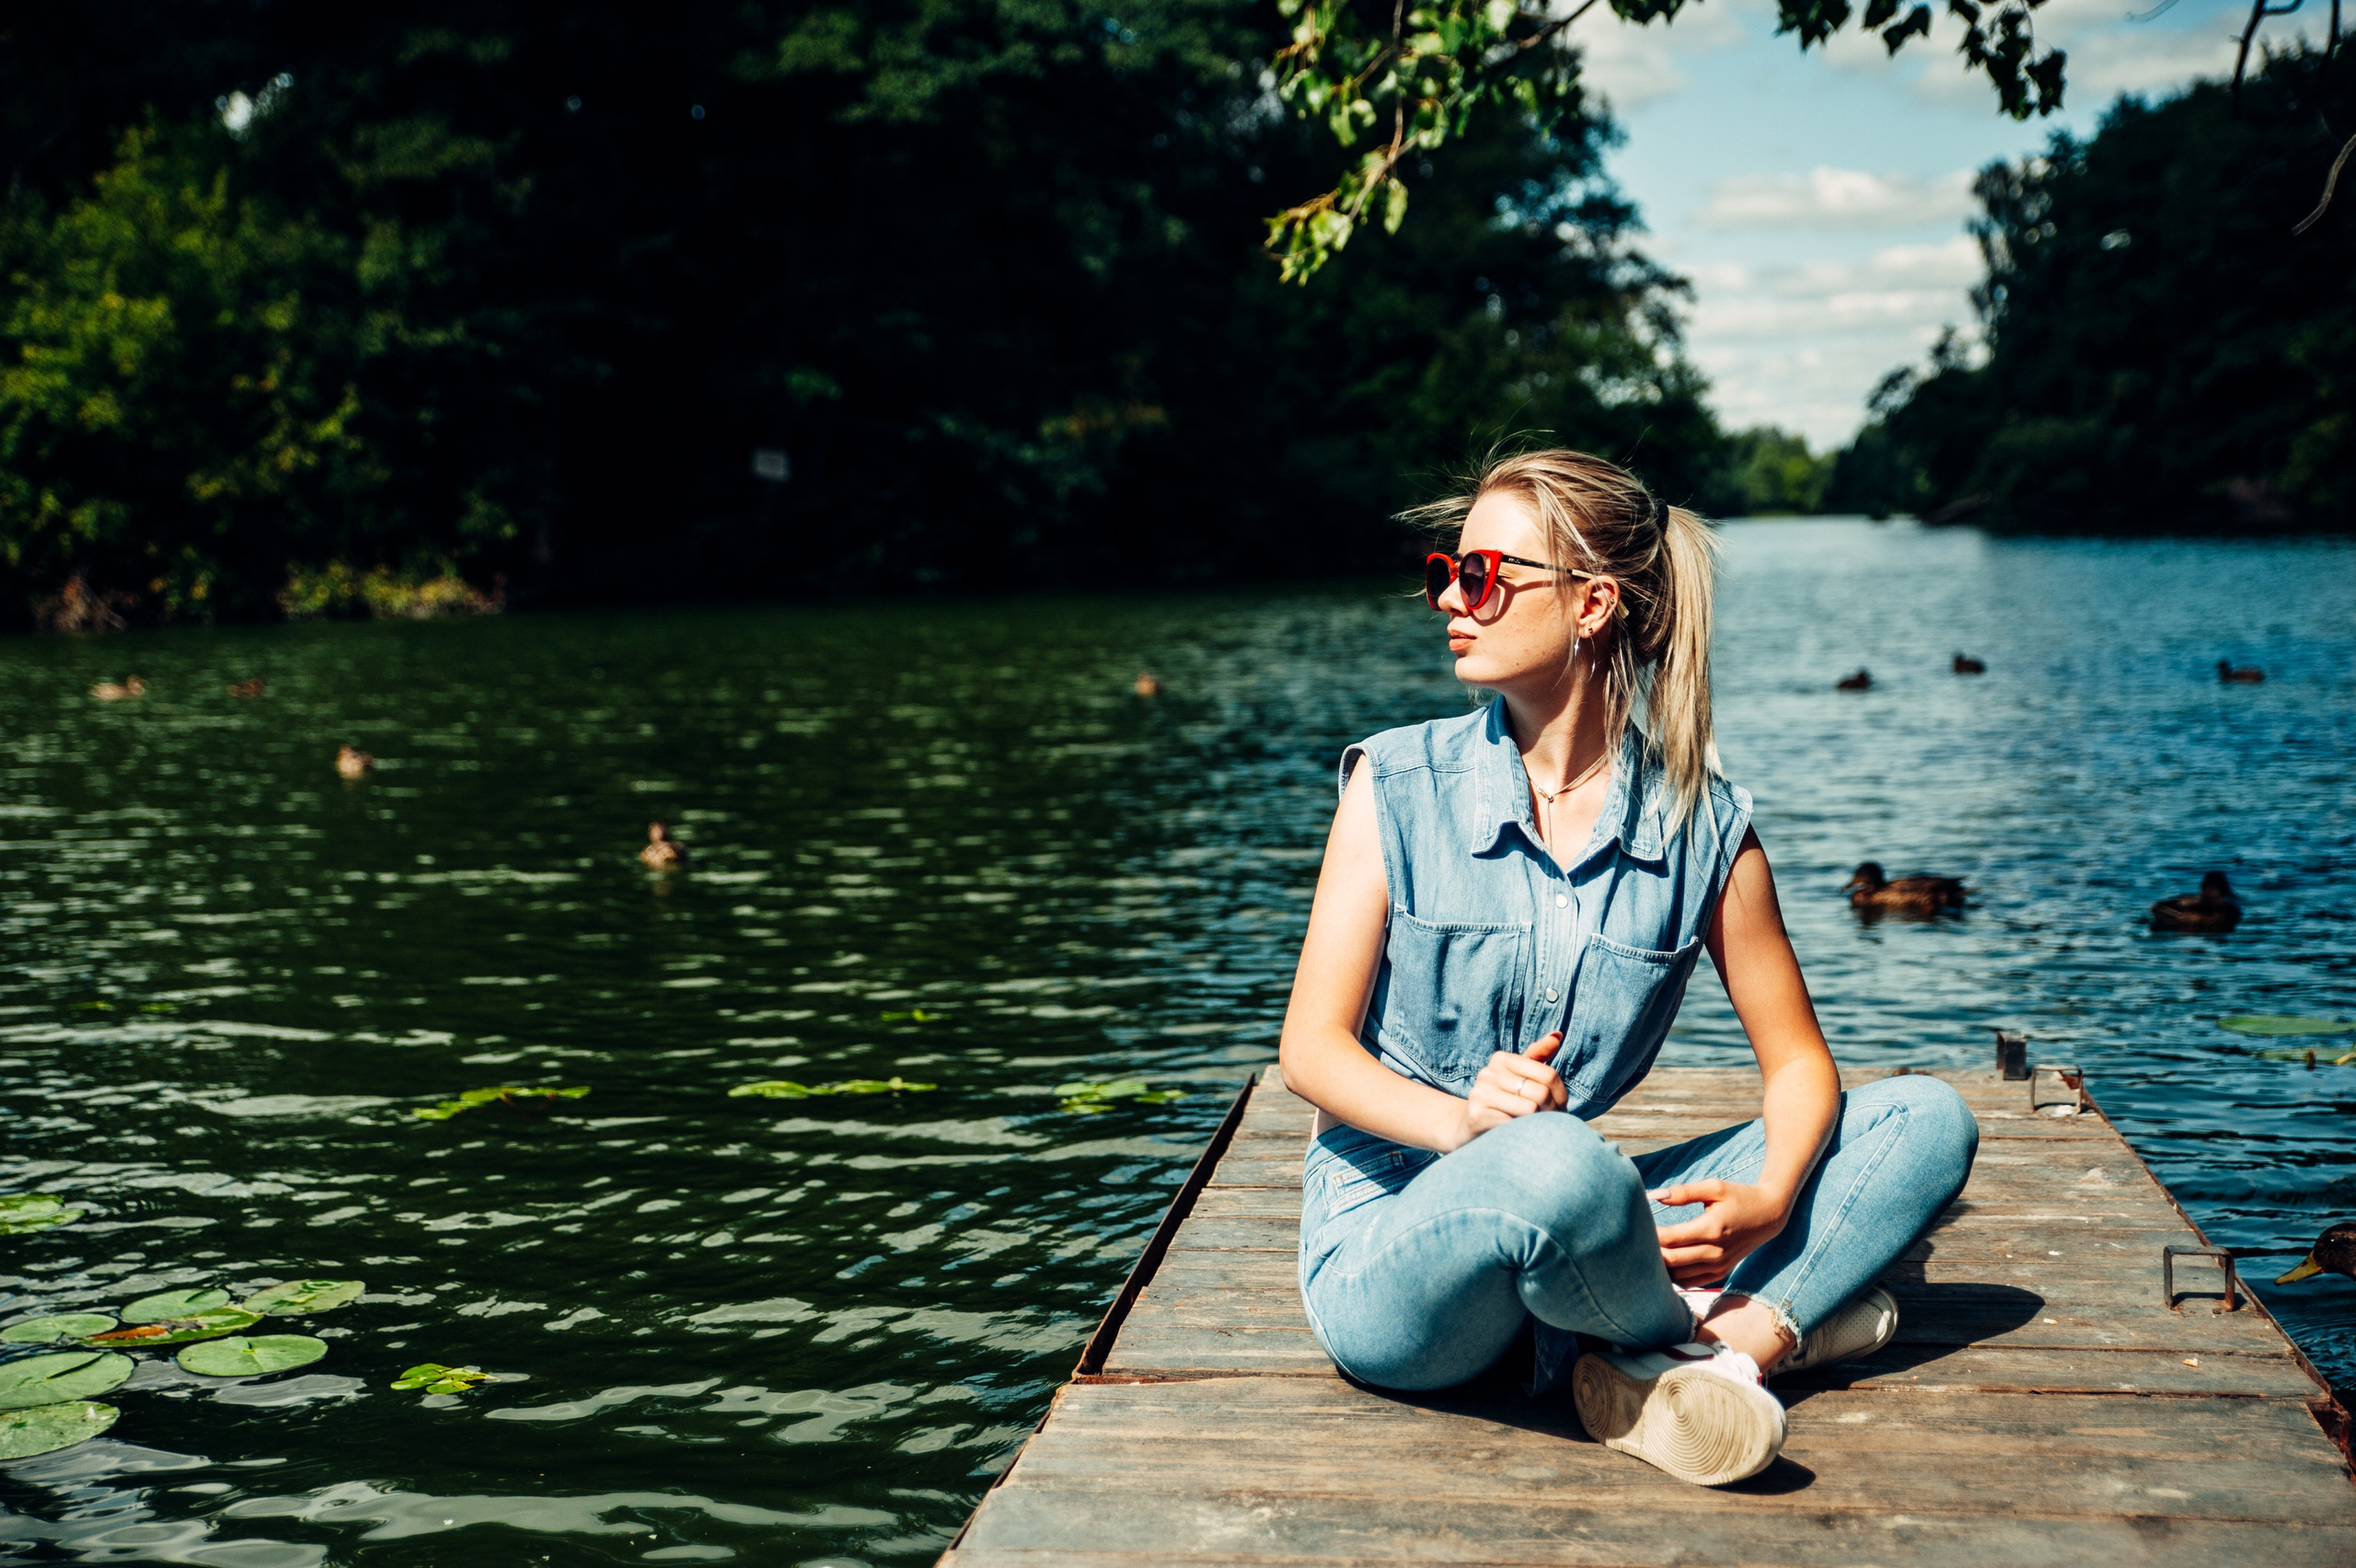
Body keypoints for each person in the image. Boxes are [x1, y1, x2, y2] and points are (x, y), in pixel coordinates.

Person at [1276, 449, 1978, 1486]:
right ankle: (1733, 1337)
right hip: (1392, 1254)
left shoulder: (1705, 825)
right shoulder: (1395, 784)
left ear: (1592, 605)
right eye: (1444, 573)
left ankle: (1709, 1354)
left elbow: (1797, 1068)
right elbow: (1309, 1052)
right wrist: (1462, 1125)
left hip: (1588, 1223)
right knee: (1557, 1161)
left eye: (1480, 576)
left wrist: (1775, 1195)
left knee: (1925, 1119)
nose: (1448, 601)